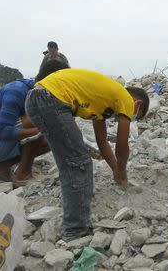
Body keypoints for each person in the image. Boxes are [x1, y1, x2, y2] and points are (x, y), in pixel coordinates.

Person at [25, 68, 149, 241]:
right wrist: (123, 172)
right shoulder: (126, 99)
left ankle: (80, 206)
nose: (131, 117)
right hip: (51, 99)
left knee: (72, 159)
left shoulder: (102, 101)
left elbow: (102, 141)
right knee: (78, 162)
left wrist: (116, 170)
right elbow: (122, 145)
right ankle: (75, 230)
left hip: (37, 98)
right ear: (137, 104)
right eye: (136, 116)